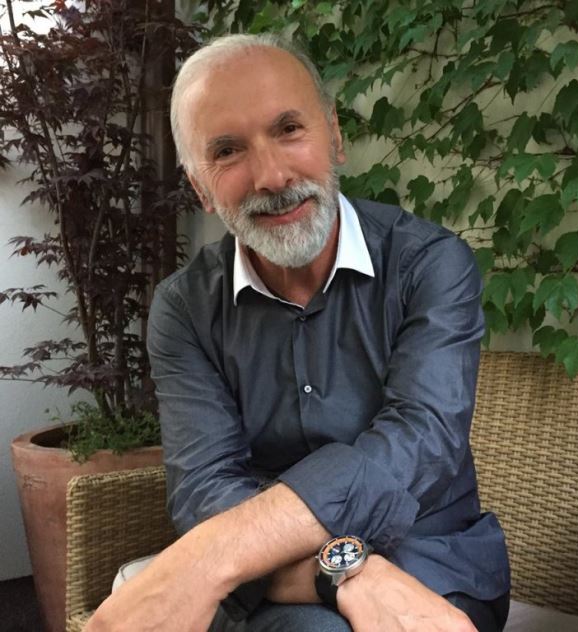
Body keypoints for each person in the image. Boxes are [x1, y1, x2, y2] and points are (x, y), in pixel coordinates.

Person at [84, 33, 510, 632]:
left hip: (431, 559)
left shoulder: (429, 265)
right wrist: (345, 572)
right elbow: (205, 487)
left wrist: (210, 560)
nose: (272, 175)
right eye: (227, 150)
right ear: (199, 186)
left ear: (333, 134)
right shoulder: (184, 309)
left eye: (289, 129)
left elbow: (419, 441)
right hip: (272, 581)